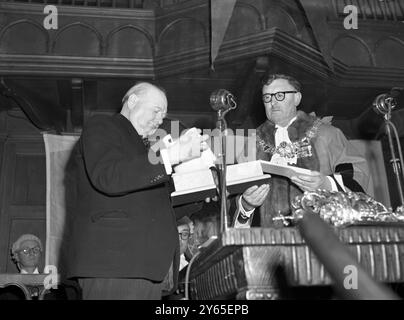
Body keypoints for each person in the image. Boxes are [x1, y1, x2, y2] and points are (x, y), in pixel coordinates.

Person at [65, 82, 208, 299]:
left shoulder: (145, 150)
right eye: (156, 110)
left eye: (164, 115)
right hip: (115, 263)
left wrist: (202, 190)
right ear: (132, 101)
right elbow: (109, 177)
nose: (160, 120)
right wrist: (171, 156)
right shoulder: (103, 126)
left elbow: (155, 210)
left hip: (145, 267)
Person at [233, 73, 371, 228]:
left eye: (279, 95)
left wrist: (326, 184)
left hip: (323, 237)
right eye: (267, 97)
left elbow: (357, 173)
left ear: (297, 98)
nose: (272, 102)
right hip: (270, 240)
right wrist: (246, 205)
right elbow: (236, 194)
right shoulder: (251, 144)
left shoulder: (326, 134)